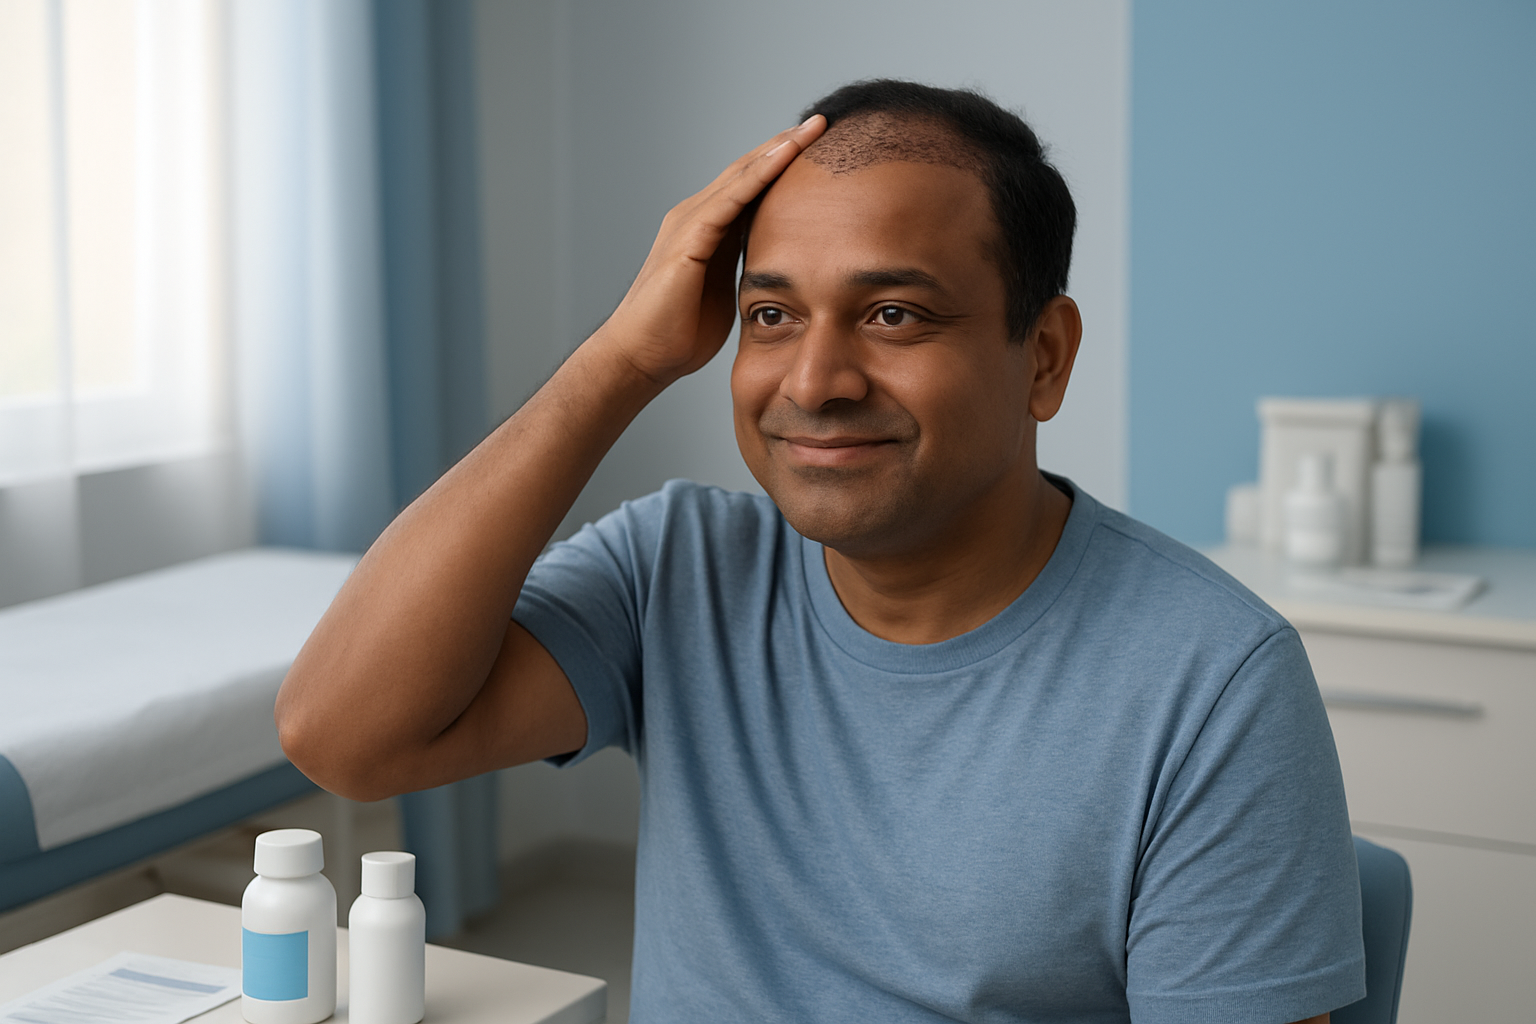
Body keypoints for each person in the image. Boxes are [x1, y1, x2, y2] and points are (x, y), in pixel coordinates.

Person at [276, 80, 1366, 1023]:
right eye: (771, 315)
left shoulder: (1212, 680)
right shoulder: (682, 568)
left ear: (1043, 355)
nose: (814, 383)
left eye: (893, 314)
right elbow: (343, 737)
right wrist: (619, 360)